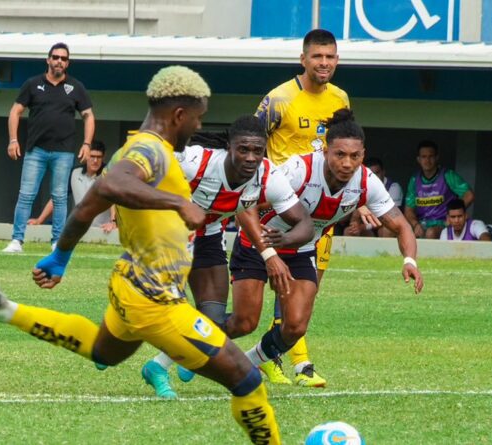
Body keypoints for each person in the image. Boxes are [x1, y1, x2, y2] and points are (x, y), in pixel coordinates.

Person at [0, 66, 283, 444]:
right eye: (199, 117)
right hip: (156, 301)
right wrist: (177, 202)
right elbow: (114, 183)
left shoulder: (146, 149)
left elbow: (89, 204)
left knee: (102, 350)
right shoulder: (149, 150)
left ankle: (3, 309)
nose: (198, 126)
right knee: (248, 380)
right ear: (179, 115)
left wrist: (61, 255)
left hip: (129, 283)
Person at [234, 109, 423, 382]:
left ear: (363, 154)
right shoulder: (299, 170)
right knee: (244, 322)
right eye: (340, 155)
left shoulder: (366, 182)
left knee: (295, 326)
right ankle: (171, 356)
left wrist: (410, 261)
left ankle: (247, 362)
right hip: (259, 244)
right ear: (325, 150)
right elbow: (245, 204)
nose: (347, 163)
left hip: (301, 250)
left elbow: (401, 225)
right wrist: (267, 251)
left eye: (355, 156)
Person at [140, 115, 314, 399]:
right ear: (229, 148)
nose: (250, 157)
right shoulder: (196, 160)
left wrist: (281, 242)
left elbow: (304, 222)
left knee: (212, 322)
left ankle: (157, 367)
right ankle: (116, 335)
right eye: (243, 149)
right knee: (164, 309)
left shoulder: (268, 176)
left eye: (258, 150)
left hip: (206, 235)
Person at [253, 28, 351, 387]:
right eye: (317, 57)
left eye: (330, 57)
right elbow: (251, 142)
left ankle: (279, 357)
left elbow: (346, 147)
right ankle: (298, 363)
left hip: (323, 212)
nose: (323, 63)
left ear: (337, 60)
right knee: (288, 287)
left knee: (307, 291)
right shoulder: (279, 99)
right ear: (303, 59)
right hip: (284, 210)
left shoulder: (340, 99)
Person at [4, 42, 96, 253]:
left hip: (63, 152)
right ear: (48, 60)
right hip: (35, 150)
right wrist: (13, 140)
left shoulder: (75, 87)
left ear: (67, 63)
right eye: (55, 57)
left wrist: (87, 144)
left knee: (60, 197)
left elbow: (89, 115)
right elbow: (15, 111)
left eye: (63, 59)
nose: (59, 61)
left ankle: (57, 242)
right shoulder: (32, 83)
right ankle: (16, 240)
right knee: (26, 194)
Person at [28, 140, 117, 234]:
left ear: (103, 157)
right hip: (78, 230)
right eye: (92, 156)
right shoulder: (75, 173)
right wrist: (39, 220)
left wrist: (113, 222)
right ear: (86, 155)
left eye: (99, 157)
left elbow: (115, 200)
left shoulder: (108, 174)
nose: (95, 161)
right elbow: (57, 198)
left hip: (103, 230)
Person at [404, 140, 474, 240]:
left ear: (437, 158)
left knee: (430, 233)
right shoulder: (415, 179)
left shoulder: (447, 175)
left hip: (443, 223)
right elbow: (408, 210)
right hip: (421, 223)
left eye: (431, 156)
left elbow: (469, 195)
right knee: (390, 231)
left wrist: (452, 215)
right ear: (418, 159)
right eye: (424, 157)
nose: (427, 161)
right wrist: (415, 224)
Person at [345, 157, 403, 237]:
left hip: (385, 225)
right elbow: (356, 212)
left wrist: (363, 227)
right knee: (349, 231)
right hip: (368, 226)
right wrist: (354, 224)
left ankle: (385, 250)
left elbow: (391, 219)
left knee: (385, 231)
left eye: (377, 173)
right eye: (371, 174)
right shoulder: (361, 186)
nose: (374, 177)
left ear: (383, 172)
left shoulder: (393, 187)